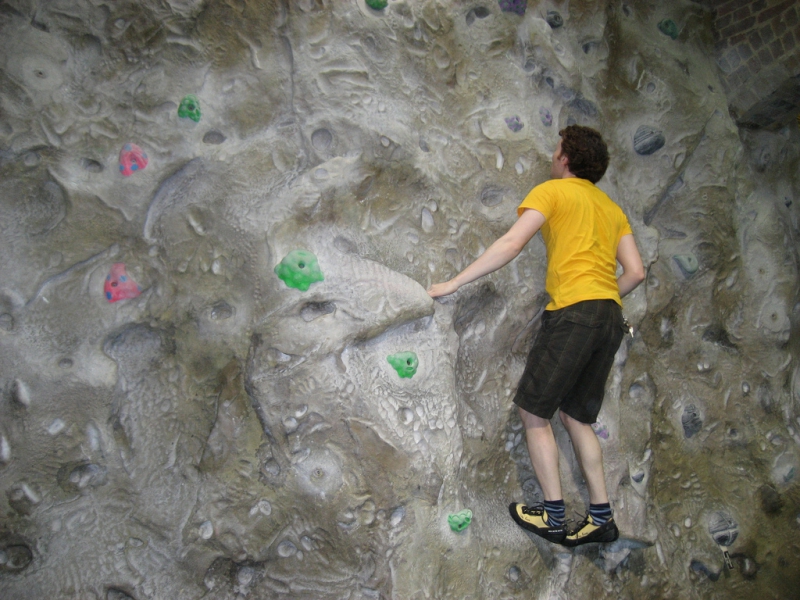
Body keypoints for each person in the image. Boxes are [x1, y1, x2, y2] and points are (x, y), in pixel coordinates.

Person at [427, 125, 645, 546]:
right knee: (577, 417)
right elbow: (635, 271)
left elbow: (511, 243)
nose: (553, 155)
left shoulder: (553, 191)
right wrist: (600, 297)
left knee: (534, 412)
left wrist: (453, 283)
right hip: (610, 317)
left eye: (556, 148)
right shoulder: (612, 208)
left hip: (574, 315)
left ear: (566, 158)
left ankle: (553, 515)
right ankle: (601, 517)